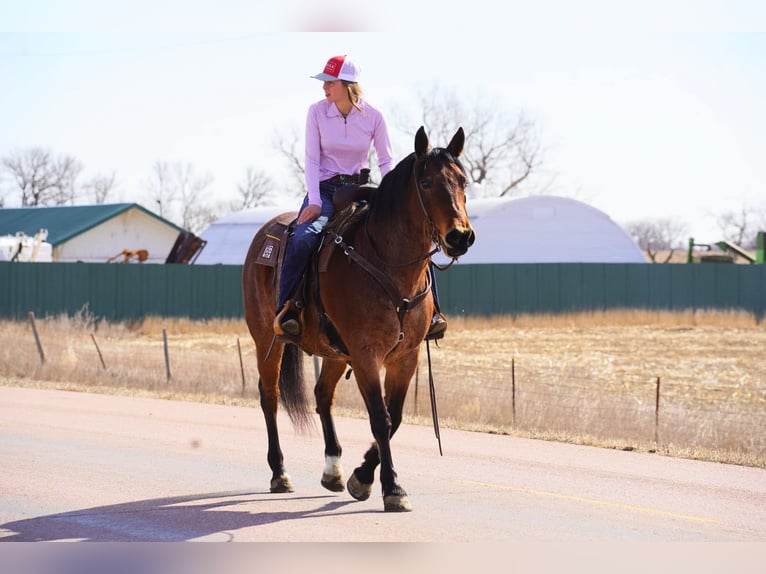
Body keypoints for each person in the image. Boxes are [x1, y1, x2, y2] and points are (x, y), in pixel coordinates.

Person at [274, 54, 448, 340]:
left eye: (330, 82)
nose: (324, 87)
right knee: (303, 238)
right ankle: (289, 310)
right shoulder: (316, 112)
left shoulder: (374, 117)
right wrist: (315, 201)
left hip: (361, 190)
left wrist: (393, 198)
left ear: (347, 85)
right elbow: (311, 160)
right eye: (324, 82)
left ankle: (432, 315)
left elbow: (386, 163)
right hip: (326, 191)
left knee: (414, 237)